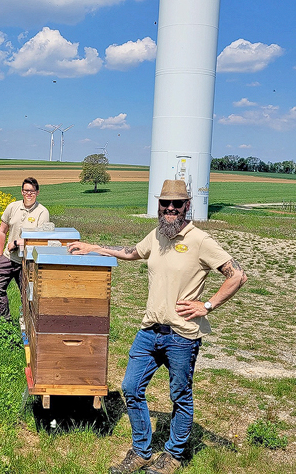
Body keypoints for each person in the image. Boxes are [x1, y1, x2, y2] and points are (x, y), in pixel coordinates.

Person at [67, 179, 247, 474]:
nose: (170, 208)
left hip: (182, 336)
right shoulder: (157, 235)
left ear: (187, 206)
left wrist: (207, 305)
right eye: (165, 203)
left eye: (177, 203)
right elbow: (132, 252)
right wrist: (94, 248)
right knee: (131, 387)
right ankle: (141, 452)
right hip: (150, 330)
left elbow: (237, 274)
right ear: (159, 205)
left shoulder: (200, 240)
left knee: (180, 396)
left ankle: (173, 456)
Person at [0, 177, 50, 321]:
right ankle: (4, 320)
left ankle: (27, 323)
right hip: (8, 257)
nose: (29, 194)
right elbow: (2, 231)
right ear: (22, 192)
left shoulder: (42, 212)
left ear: (37, 192)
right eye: (26, 191)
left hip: (27, 261)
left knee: (28, 294)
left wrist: (17, 243)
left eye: (32, 191)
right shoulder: (12, 207)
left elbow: (40, 240)